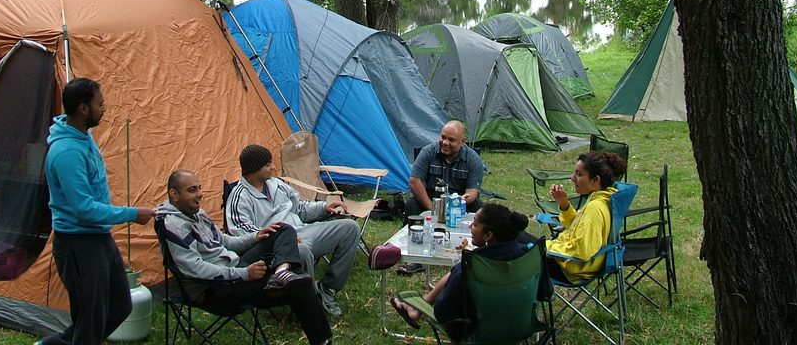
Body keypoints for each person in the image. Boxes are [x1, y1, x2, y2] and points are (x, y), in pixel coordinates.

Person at [39, 78, 156, 345]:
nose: (105, 108)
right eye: (99, 104)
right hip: (78, 244)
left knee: (119, 306)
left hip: (98, 238)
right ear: (83, 108)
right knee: (91, 321)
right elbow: (84, 209)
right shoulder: (67, 151)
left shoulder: (82, 135)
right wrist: (132, 214)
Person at [159, 170, 332, 345]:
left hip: (235, 268)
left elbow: (224, 242)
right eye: (192, 190)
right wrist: (244, 274)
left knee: (282, 229)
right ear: (174, 194)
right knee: (300, 283)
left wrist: (256, 236)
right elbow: (195, 269)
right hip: (216, 289)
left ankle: (281, 271)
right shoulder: (174, 225)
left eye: (200, 188)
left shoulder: (198, 214)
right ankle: (323, 341)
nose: (200, 194)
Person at [225, 144, 361, 318]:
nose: (273, 167)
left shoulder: (277, 185)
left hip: (303, 231)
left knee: (350, 228)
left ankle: (328, 289)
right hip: (276, 247)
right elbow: (242, 233)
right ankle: (311, 304)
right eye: (268, 165)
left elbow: (300, 209)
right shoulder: (239, 197)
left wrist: (324, 208)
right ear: (254, 169)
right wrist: (282, 238)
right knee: (300, 251)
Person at [389, 204, 542, 341]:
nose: (470, 228)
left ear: (488, 235)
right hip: (520, 328)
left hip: (477, 333)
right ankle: (415, 310)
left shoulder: (471, 267)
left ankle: (417, 309)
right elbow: (546, 292)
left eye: (474, 224)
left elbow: (442, 312)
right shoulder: (529, 256)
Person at [545, 150, 628, 283]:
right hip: (578, 265)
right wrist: (564, 204)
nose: (573, 178)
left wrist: (546, 247)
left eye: (579, 174)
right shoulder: (603, 199)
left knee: (515, 250)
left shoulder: (595, 208)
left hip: (572, 269)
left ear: (595, 180)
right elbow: (579, 226)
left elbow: (583, 250)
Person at [406, 121, 484, 218]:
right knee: (412, 205)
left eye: (451, 140)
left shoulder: (473, 159)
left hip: (458, 201)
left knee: (479, 207)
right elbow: (414, 181)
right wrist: (432, 209)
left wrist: (463, 200)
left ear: (462, 141)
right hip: (431, 198)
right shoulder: (428, 152)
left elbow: (472, 191)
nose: (445, 143)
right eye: (443, 137)